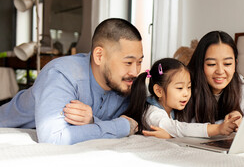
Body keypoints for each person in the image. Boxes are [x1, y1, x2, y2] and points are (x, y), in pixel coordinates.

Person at [0, 18, 143, 145]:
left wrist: (93, 121)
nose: (135, 72)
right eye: (128, 62)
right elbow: (55, 138)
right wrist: (121, 127)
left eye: (139, 62)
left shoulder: (125, 84)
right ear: (99, 56)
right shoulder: (61, 74)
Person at [122, 58, 239, 139]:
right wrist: (218, 129)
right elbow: (180, 128)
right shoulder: (153, 115)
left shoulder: (171, 107)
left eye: (189, 87)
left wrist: (224, 123)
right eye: (179, 88)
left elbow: (193, 124)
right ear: (159, 91)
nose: (186, 93)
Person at [186, 30, 244, 126]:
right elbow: (183, 127)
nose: (220, 71)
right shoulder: (186, 86)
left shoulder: (239, 83)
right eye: (211, 64)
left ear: (235, 64)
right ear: (200, 64)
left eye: (227, 64)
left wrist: (237, 116)